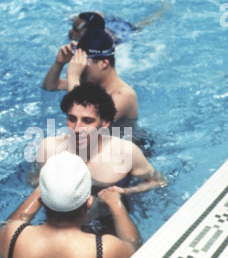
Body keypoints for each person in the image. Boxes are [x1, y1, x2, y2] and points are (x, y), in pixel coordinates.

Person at [0, 151, 142, 258]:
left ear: (41, 199)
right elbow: (136, 250)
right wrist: (116, 204)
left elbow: (7, 225)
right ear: (89, 202)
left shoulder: (11, 237)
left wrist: (41, 192)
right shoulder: (105, 251)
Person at [30, 83, 168, 227]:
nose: (77, 129)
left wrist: (125, 192)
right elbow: (33, 180)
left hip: (107, 215)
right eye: (71, 119)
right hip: (62, 216)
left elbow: (159, 181)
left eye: (87, 121)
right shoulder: (49, 148)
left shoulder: (125, 152)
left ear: (105, 122)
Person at [43, 28, 138, 124]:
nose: (81, 68)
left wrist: (73, 77)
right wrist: (59, 63)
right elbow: (50, 87)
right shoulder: (88, 82)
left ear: (104, 63)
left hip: (128, 137)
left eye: (84, 63)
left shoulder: (124, 95)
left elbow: (85, 122)